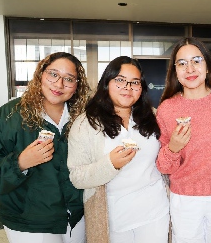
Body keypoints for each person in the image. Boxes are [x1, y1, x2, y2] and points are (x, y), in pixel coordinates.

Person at [0, 52, 90, 243]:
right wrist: (19, 163)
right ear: (41, 75)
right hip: (29, 222)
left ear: (77, 85)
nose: (59, 84)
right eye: (53, 74)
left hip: (76, 218)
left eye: (69, 79)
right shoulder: (11, 115)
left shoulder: (83, 118)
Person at [67, 56, 169, 243]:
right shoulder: (86, 123)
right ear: (107, 83)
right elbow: (77, 177)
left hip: (155, 212)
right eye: (120, 80)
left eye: (135, 82)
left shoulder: (152, 116)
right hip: (113, 218)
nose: (128, 87)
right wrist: (110, 164)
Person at [156, 37, 211, 243]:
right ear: (175, 70)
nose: (190, 68)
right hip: (184, 198)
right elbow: (163, 166)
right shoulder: (167, 109)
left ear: (208, 66)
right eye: (182, 63)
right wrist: (173, 148)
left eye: (196, 60)